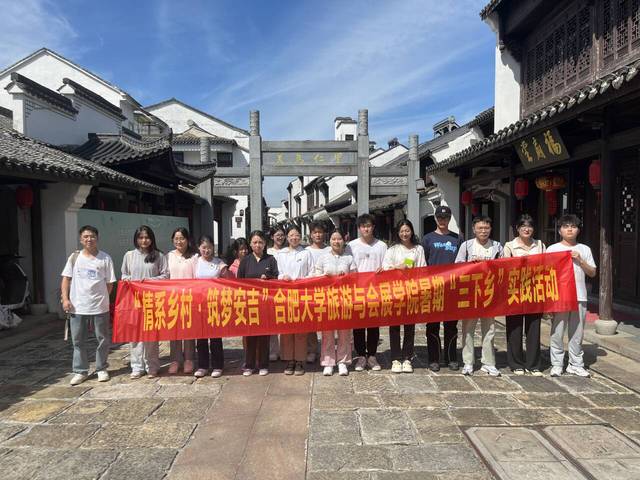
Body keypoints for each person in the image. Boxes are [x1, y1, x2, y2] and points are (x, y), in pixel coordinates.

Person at [61, 225, 116, 385]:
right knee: (78, 340)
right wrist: (65, 299)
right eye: (85, 236)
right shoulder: (74, 258)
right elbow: (66, 279)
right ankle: (80, 371)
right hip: (78, 306)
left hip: (99, 306)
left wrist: (102, 298)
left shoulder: (105, 258)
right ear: (81, 239)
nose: (89, 239)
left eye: (92, 236)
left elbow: (110, 283)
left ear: (97, 238)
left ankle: (101, 368)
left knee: (102, 339)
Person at [547, 214, 596, 378]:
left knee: (577, 333)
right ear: (560, 230)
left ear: (578, 230)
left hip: (579, 296)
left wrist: (580, 260)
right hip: (559, 296)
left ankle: (576, 364)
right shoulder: (552, 249)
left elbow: (592, 272)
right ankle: (557, 364)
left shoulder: (584, 249)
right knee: (557, 331)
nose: (569, 229)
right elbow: (546, 274)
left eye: (573, 226)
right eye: (566, 226)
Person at [455, 215, 503, 376]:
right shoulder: (466, 246)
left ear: (491, 229)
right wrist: (471, 264)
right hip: (470, 293)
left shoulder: (497, 246)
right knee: (468, 328)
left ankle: (488, 362)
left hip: (489, 293)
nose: (483, 231)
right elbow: (457, 266)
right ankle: (468, 362)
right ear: (474, 229)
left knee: (489, 329)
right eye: (480, 228)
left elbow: (503, 267)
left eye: (486, 228)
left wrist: (489, 264)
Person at [121, 225, 169, 379]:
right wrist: (132, 280)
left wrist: (149, 281)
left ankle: (152, 366)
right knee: (135, 335)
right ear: (136, 239)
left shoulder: (159, 256)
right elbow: (124, 275)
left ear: (152, 239)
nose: (144, 240)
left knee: (151, 334)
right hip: (134, 300)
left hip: (152, 301)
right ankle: (137, 366)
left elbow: (165, 276)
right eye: (141, 237)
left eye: (147, 237)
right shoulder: (129, 255)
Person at [421, 205, 462, 372]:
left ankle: (451, 358)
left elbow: (463, 262)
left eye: (445, 218)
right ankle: (434, 358)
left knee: (451, 325)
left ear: (450, 218)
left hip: (452, 288)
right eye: (439, 217)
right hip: (433, 288)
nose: (442, 220)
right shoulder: (427, 239)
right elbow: (422, 262)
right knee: (433, 325)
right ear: (435, 218)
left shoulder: (457, 238)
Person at [504, 214, 546, 376]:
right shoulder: (509, 246)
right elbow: (505, 268)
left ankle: (533, 364)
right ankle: (516, 363)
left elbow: (547, 266)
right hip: (515, 291)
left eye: (529, 226)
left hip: (535, 291)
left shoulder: (540, 245)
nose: (526, 229)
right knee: (514, 327)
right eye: (523, 226)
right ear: (517, 228)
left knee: (534, 328)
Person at [383, 219, 426, 373]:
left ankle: (407, 357)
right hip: (395, 292)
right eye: (402, 231)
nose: (405, 233)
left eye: (407, 230)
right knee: (394, 326)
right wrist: (399, 267)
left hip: (412, 291)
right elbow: (385, 268)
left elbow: (422, 269)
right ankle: (395, 358)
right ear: (398, 233)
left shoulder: (418, 249)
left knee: (409, 326)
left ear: (412, 231)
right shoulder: (392, 250)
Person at [348, 213, 387, 371]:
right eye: (363, 226)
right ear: (359, 228)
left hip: (375, 291)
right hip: (357, 291)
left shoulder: (382, 246)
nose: (366, 229)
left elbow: (386, 266)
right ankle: (360, 356)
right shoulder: (351, 246)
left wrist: (383, 270)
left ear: (373, 227)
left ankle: (372, 355)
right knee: (358, 325)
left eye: (369, 226)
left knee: (373, 324)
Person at [237, 230, 279, 376]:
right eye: (255, 242)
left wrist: (267, 279)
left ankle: (263, 364)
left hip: (265, 304)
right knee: (250, 335)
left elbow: (276, 279)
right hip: (249, 303)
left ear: (265, 243)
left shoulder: (271, 259)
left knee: (264, 335)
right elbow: (239, 283)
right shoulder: (245, 261)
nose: (258, 245)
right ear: (250, 244)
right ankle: (249, 364)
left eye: (260, 242)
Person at [276, 225, 315, 376]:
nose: (294, 237)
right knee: (286, 329)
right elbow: (277, 272)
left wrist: (303, 280)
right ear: (287, 237)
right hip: (285, 295)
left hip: (302, 294)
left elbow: (312, 272)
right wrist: (282, 277)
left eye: (297, 235)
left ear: (301, 236)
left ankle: (299, 360)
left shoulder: (306, 253)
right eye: (291, 235)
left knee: (300, 328)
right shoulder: (281, 254)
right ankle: (289, 360)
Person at [194, 235, 227, 379]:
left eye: (209, 247)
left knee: (215, 336)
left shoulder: (219, 263)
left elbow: (228, 281)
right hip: (198, 304)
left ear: (213, 247)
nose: (206, 250)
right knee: (200, 336)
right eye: (203, 247)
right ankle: (203, 366)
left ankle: (218, 365)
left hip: (214, 304)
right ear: (199, 248)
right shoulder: (195, 262)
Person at [167, 227, 198, 374]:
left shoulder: (194, 257)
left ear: (188, 240)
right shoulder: (168, 256)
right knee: (174, 330)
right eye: (176, 239)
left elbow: (198, 277)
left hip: (190, 298)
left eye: (182, 238)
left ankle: (189, 359)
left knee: (188, 330)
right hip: (173, 299)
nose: (179, 241)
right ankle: (175, 360)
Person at [305, 221, 330, 364]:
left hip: (327, 291)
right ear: (311, 234)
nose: (318, 235)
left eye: (320, 232)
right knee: (310, 321)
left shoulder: (329, 249)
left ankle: (327, 350)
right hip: (310, 290)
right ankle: (312, 350)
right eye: (315, 232)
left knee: (327, 321)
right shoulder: (306, 251)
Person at [267, 227, 286, 361]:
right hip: (271, 290)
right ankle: (273, 350)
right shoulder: (268, 252)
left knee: (284, 320)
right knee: (273, 320)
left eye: (282, 235)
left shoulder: (288, 251)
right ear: (272, 237)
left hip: (285, 289)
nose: (280, 237)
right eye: (277, 235)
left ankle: (285, 350)